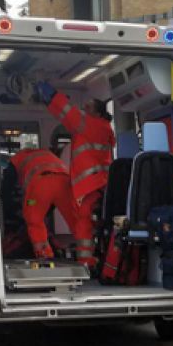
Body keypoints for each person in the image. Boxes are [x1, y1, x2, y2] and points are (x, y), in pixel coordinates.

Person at [35, 81, 115, 269]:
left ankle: (86, 262)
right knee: (85, 225)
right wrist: (48, 103)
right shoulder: (99, 127)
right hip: (96, 184)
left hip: (89, 185)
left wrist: (51, 94)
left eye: (87, 107)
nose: (83, 109)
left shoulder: (90, 124)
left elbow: (68, 111)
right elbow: (66, 117)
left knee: (83, 226)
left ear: (96, 112)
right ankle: (90, 260)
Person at [9, 148, 86, 264]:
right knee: (76, 220)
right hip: (65, 181)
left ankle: (45, 255)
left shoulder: (16, 159)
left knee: (34, 220)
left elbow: (9, 189)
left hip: (41, 184)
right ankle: (87, 255)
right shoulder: (46, 154)